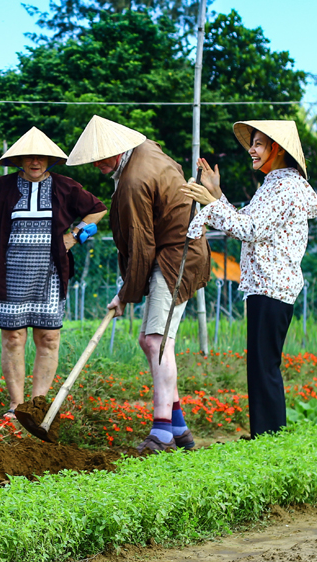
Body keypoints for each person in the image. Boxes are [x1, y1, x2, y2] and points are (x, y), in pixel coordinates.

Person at [66, 115, 209, 454]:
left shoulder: (134, 179)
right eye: (93, 158)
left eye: (103, 156)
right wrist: (126, 292)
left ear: (119, 148)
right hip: (173, 251)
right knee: (151, 341)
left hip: (177, 255)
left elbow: (141, 244)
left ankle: (162, 432)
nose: (98, 164)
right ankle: (178, 428)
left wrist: (125, 295)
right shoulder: (144, 150)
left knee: (155, 340)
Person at [0, 127, 107, 419]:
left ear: (49, 160)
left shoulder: (65, 186)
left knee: (48, 336)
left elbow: (97, 210)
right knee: (13, 337)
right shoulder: (1, 186)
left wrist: (75, 235)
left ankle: (37, 407)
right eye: (29, 158)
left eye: (41, 158)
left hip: (50, 271)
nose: (35, 162)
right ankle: (16, 406)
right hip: (7, 270)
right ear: (20, 160)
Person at [183, 120, 317, 437]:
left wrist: (212, 202)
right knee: (262, 365)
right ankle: (266, 434)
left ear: (278, 149)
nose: (251, 150)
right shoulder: (275, 185)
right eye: (252, 143)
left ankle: (269, 437)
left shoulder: (284, 188)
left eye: (258, 144)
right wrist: (217, 195)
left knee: (264, 366)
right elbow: (245, 221)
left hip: (272, 284)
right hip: (268, 284)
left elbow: (250, 230)